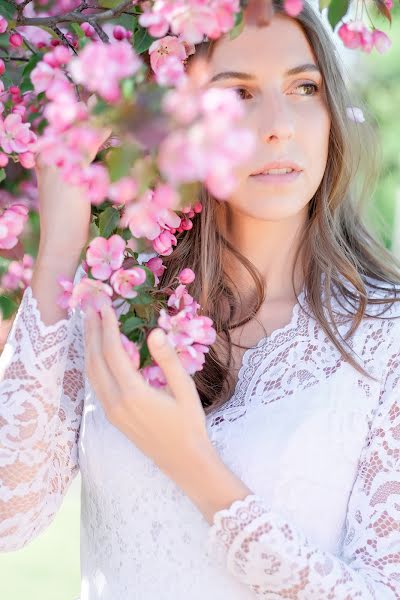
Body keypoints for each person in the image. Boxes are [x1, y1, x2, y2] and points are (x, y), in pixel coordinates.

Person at [1, 1, 400, 598]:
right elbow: (11, 515)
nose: (280, 125)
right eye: (236, 93)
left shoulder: (386, 333)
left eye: (305, 87)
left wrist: (192, 464)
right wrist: (61, 248)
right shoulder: (120, 309)